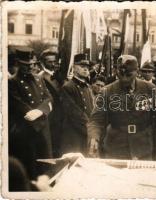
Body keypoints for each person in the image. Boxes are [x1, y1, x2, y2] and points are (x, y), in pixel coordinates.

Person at [88, 55, 156, 160]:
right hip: (115, 149)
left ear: (137, 72)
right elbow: (96, 120)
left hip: (143, 149)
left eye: (128, 74)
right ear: (117, 71)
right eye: (121, 73)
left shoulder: (149, 89)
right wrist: (94, 138)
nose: (124, 78)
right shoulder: (107, 91)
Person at [9, 47, 53, 181]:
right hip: (27, 133)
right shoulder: (12, 82)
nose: (29, 67)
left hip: (43, 131)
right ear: (18, 63)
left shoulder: (38, 79)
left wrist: (40, 110)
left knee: (46, 167)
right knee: (31, 171)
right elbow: (19, 106)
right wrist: (35, 113)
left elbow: (49, 98)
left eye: (31, 64)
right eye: (25, 65)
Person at [60, 53, 94, 155]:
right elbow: (73, 112)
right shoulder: (68, 87)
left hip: (86, 131)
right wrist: (89, 126)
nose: (86, 69)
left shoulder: (87, 87)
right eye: (82, 66)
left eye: (87, 67)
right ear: (74, 68)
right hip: (73, 134)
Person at [39, 49, 63, 157]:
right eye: (49, 62)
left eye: (54, 61)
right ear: (43, 62)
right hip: (51, 115)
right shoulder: (41, 77)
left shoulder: (57, 75)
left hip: (60, 116)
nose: (53, 64)